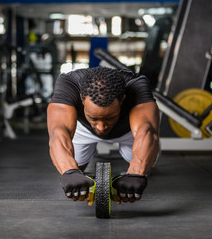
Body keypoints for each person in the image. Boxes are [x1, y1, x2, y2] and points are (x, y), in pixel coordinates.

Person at [47, 66, 160, 205]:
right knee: (73, 170)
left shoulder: (136, 85)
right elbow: (58, 132)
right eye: (94, 118)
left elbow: (147, 130)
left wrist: (136, 172)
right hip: (84, 131)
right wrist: (70, 171)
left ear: (122, 99)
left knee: (144, 167)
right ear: (82, 98)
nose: (101, 127)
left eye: (110, 118)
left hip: (128, 131)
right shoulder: (69, 84)